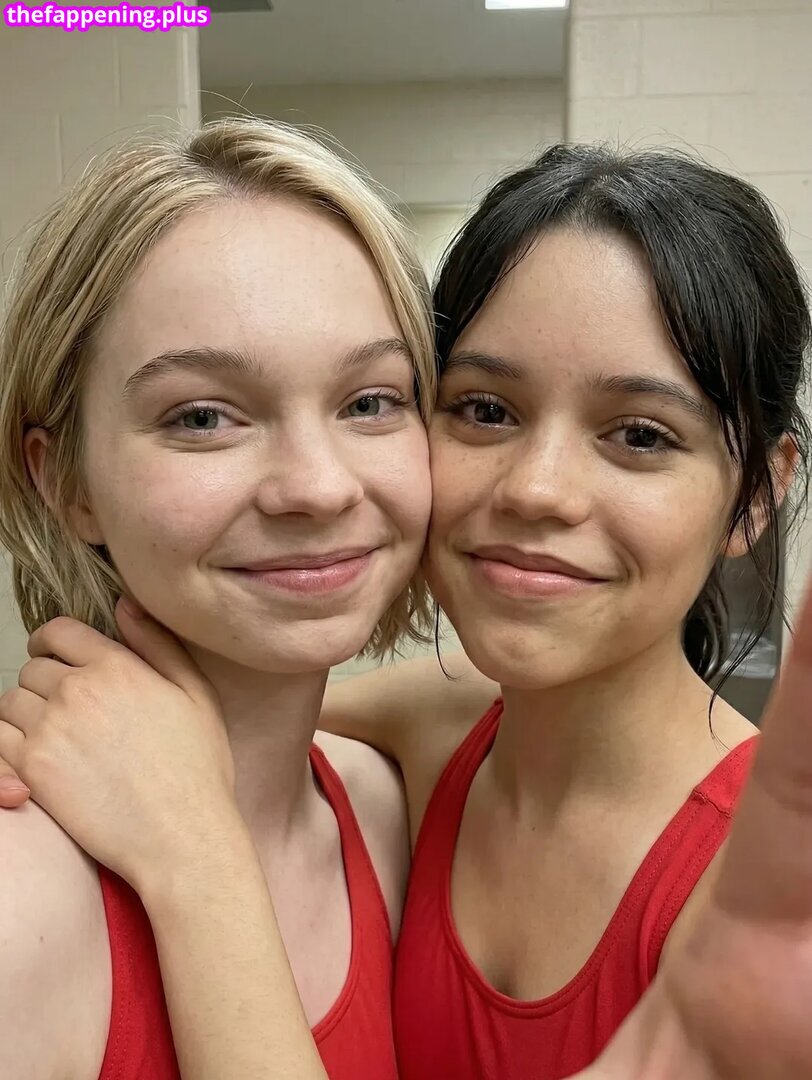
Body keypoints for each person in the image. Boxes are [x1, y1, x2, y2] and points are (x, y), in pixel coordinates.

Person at [2, 141, 812, 1080]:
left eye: (640, 434)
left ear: (757, 494)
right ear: (65, 479)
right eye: (486, 410)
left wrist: (195, 846)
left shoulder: (763, 903)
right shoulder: (421, 752)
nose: (538, 489)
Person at [0, 116, 437, 1080]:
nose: (317, 486)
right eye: (202, 416)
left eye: (370, 401)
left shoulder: (384, 807)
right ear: (62, 481)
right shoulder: (19, 900)